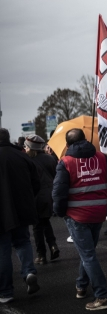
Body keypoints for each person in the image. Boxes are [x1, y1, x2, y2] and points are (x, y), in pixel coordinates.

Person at [52, 128, 107, 310]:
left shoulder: (65, 162)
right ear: (85, 140)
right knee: (88, 253)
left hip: (77, 215)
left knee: (88, 255)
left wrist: (60, 212)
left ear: (67, 145)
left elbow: (58, 193)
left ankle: (103, 296)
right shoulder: (101, 157)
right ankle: (81, 285)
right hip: (98, 212)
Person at [0, 128, 41, 303]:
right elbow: (36, 182)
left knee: (3, 250)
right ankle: (29, 271)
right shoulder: (22, 156)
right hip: (22, 207)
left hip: (2, 212)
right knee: (23, 241)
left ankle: (6, 291)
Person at [24, 135, 60, 264]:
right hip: (50, 195)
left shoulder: (28, 161)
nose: (25, 149)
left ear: (31, 148)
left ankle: (41, 255)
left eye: (26, 146)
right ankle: (53, 245)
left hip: (36, 196)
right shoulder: (50, 159)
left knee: (37, 227)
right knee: (45, 222)